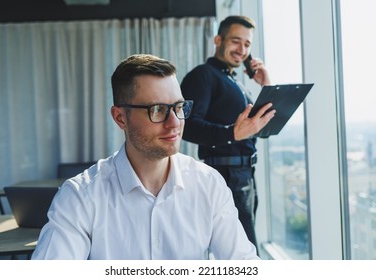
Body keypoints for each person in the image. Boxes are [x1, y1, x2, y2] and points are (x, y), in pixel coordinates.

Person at [31, 54, 259, 260]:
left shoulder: (209, 184)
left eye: (179, 107)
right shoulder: (80, 197)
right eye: (158, 110)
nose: (175, 123)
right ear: (120, 118)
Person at [180, 15, 276, 252]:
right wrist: (233, 133)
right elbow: (186, 126)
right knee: (243, 253)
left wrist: (267, 86)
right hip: (225, 175)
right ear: (218, 39)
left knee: (245, 248)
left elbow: (265, 128)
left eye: (247, 44)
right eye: (235, 41)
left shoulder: (236, 82)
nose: (242, 49)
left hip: (244, 175)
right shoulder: (202, 75)